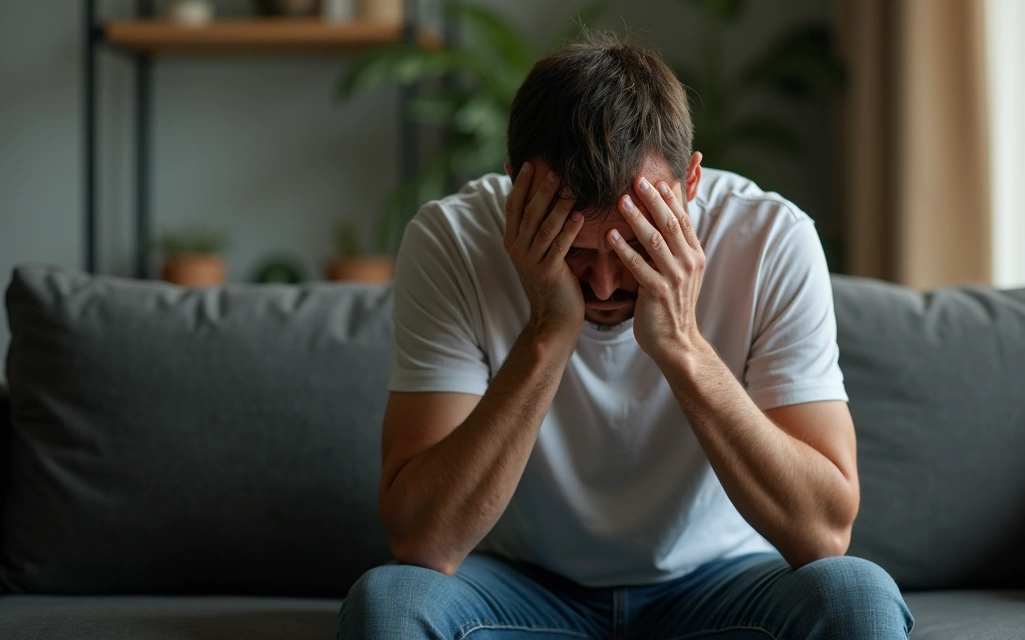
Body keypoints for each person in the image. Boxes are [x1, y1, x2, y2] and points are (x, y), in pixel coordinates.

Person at [338, 34, 913, 640]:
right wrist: (547, 332)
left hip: (722, 585)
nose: (607, 285)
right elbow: (422, 541)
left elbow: (823, 534)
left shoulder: (771, 238)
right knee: (391, 602)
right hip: (522, 589)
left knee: (856, 597)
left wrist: (683, 345)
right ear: (517, 188)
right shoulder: (452, 240)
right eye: (575, 250)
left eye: (636, 245)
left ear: (691, 182)